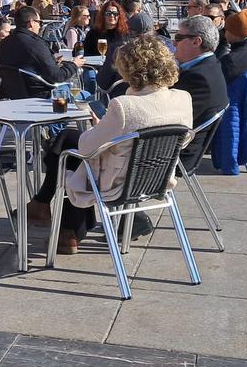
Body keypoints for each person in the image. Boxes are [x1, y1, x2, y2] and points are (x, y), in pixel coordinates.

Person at [26, 34, 193, 253]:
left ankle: (63, 224)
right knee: (69, 141)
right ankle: (64, 228)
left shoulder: (124, 105)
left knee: (70, 154)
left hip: (118, 183)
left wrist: (99, 126)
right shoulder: (182, 98)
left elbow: (87, 148)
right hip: (158, 178)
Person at [172, 15, 230, 165]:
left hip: (177, 155)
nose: (174, 42)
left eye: (178, 38)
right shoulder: (210, 65)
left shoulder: (198, 77)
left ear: (196, 41)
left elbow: (169, 119)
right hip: (180, 145)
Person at [0, 6, 82, 99]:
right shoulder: (35, 44)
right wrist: (74, 65)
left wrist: (51, 60)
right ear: (31, 23)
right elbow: (56, 76)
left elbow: (25, 64)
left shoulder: (3, 44)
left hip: (14, 96)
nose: (40, 26)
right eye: (39, 22)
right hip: (43, 96)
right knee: (86, 95)